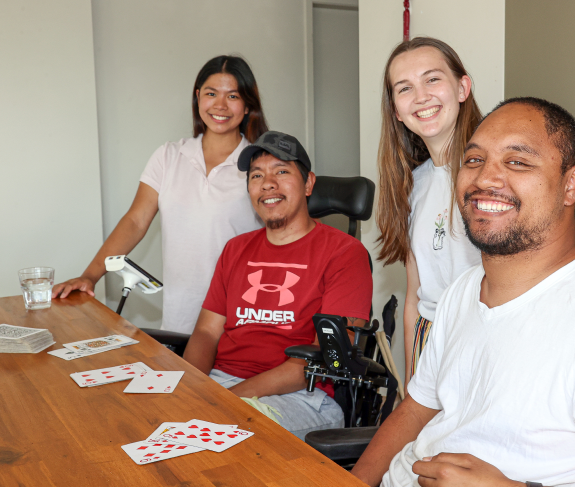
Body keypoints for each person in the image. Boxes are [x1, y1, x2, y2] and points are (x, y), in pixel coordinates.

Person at [351, 98, 575, 487]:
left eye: (518, 162)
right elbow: (416, 410)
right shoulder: (463, 290)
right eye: (473, 160)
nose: (484, 179)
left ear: (570, 185)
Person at [52, 55, 267, 334]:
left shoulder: (260, 164)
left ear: (248, 104)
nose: (220, 105)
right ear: (198, 96)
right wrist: (90, 276)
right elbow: (136, 221)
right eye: (211, 94)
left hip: (242, 317)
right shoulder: (169, 155)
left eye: (233, 96)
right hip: (181, 318)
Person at [183, 131, 373, 440]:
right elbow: (206, 331)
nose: (267, 183)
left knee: (223, 433)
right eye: (257, 175)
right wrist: (191, 388)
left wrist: (225, 400)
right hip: (221, 383)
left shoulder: (345, 253)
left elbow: (324, 355)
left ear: (309, 183)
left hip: (303, 396)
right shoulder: (235, 249)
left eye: (281, 171)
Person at [375, 37, 482, 383]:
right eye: (404, 88)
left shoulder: (494, 177)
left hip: (483, 342)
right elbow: (415, 300)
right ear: (396, 111)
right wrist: (411, 384)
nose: (421, 96)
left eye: (432, 79)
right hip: (429, 341)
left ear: (462, 87)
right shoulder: (411, 185)